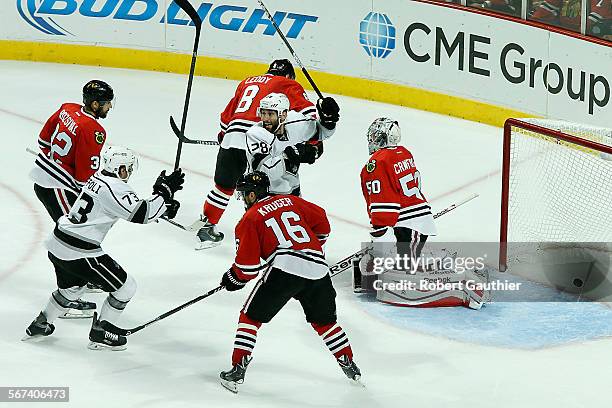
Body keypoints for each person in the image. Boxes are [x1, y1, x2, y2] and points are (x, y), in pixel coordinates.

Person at [22, 146, 185, 350]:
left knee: (72, 289)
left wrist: (162, 205)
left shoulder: (97, 178)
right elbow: (141, 213)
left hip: (58, 242)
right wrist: (164, 192)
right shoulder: (116, 188)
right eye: (127, 168)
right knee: (126, 288)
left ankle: (41, 323)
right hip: (79, 251)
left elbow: (132, 208)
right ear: (120, 169)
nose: (129, 172)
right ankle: (101, 332)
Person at [218, 171, 361, 393]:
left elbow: (246, 268)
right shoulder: (291, 200)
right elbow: (322, 222)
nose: (243, 199)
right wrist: (310, 247)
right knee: (325, 323)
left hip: (285, 268)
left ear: (253, 196)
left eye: (245, 194)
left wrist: (232, 278)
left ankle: (237, 370)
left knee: (250, 317)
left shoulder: (249, 219)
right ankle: (350, 366)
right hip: (318, 268)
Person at [195, 59, 339, 250]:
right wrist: (315, 140)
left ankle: (207, 227)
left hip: (232, 138)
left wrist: (224, 137)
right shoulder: (288, 84)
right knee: (273, 191)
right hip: (262, 146)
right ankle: (283, 235)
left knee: (224, 186)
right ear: (288, 76)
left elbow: (226, 119)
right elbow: (308, 115)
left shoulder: (247, 81)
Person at [356, 118, 488, 309]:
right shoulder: (403, 152)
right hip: (412, 220)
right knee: (403, 264)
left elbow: (383, 207)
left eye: (375, 135)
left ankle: (465, 285)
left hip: (411, 223)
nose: (372, 139)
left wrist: (378, 242)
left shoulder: (377, 162)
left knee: (406, 271)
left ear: (383, 138)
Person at [29, 79, 115, 317]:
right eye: (107, 104)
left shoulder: (67, 108)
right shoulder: (94, 130)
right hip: (58, 187)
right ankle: (68, 295)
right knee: (73, 238)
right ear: (96, 104)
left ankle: (82, 278)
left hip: (46, 181)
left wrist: (56, 163)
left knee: (74, 236)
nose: (109, 108)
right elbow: (84, 176)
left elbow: (43, 140)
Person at [244, 92, 338, 196]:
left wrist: (328, 120)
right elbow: (267, 172)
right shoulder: (255, 134)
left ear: (283, 115)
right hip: (262, 193)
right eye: (263, 113)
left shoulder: (297, 123)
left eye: (270, 114)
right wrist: (290, 154)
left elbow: (323, 133)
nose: (265, 119)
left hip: (293, 190)